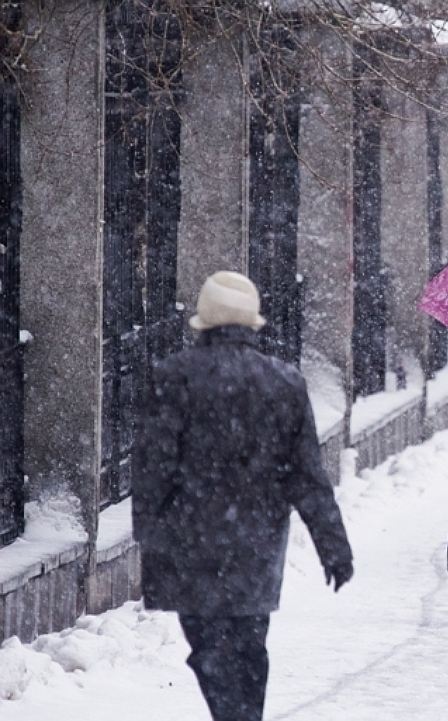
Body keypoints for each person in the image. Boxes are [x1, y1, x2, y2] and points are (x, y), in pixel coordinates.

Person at [133, 271, 354, 721]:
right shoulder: (284, 382)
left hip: (189, 539)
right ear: (254, 324)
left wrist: (150, 537)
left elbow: (153, 468)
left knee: (208, 647)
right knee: (249, 644)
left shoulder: (173, 377)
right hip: (256, 542)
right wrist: (333, 545)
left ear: (203, 322)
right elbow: (307, 476)